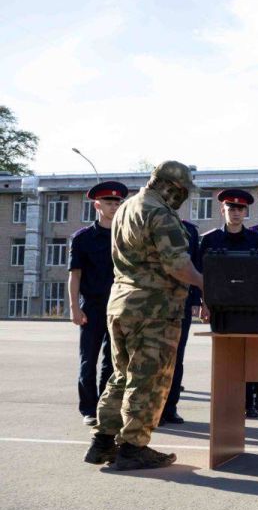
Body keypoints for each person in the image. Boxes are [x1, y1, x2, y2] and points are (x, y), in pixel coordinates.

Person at [83, 161, 203, 470]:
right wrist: (207, 284)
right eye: (182, 191)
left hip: (122, 303)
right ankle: (134, 448)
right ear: (169, 187)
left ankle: (102, 442)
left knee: (122, 373)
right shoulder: (159, 212)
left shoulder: (126, 208)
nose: (182, 197)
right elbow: (178, 265)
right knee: (149, 379)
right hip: (154, 309)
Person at [199, 189, 258, 417]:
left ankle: (247, 403)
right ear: (223, 210)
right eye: (231, 208)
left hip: (249, 307)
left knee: (245, 356)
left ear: (246, 211)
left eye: (240, 209)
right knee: (223, 356)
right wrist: (204, 303)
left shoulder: (257, 240)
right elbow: (202, 275)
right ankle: (225, 402)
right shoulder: (210, 240)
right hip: (220, 306)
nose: (236, 212)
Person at [69, 181, 128, 426]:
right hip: (92, 307)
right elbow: (75, 275)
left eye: (117, 203)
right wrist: (74, 307)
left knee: (112, 361)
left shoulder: (126, 236)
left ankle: (106, 407)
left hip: (119, 306)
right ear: (97, 205)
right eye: (108, 202)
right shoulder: (82, 238)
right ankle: (88, 409)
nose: (113, 206)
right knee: (88, 359)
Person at [159, 218, 201, 426]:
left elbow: (195, 264)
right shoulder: (151, 224)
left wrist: (196, 300)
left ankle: (170, 408)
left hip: (181, 304)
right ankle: (153, 410)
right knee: (153, 359)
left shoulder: (189, 230)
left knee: (176, 359)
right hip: (154, 304)